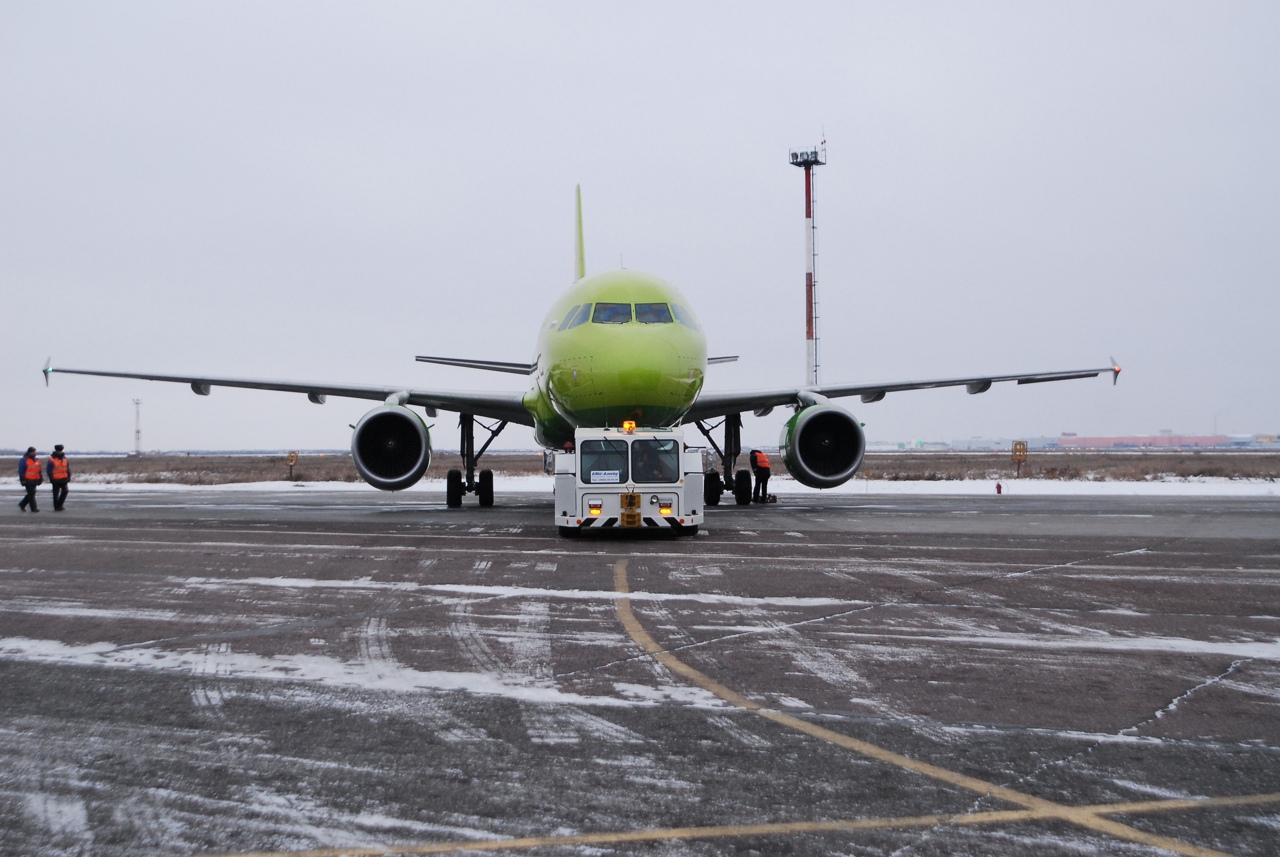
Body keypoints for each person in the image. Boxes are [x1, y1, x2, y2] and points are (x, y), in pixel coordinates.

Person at [46, 444, 71, 511]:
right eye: (59, 450)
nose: (60, 452)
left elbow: (67, 468)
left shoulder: (65, 458)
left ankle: (59, 504)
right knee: (56, 494)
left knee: (65, 491)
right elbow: (49, 470)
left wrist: (69, 476)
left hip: (63, 478)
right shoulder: (52, 459)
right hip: (55, 479)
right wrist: (51, 478)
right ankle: (57, 507)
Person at [18, 447, 42, 512]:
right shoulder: (24, 460)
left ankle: (22, 504)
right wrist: (22, 479)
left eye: (35, 452)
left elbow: (39, 470)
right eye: (33, 452)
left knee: (32, 493)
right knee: (31, 494)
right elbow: (21, 470)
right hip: (27, 479)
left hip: (35, 479)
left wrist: (40, 478)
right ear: (29, 452)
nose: (34, 453)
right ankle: (34, 508)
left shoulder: (37, 460)